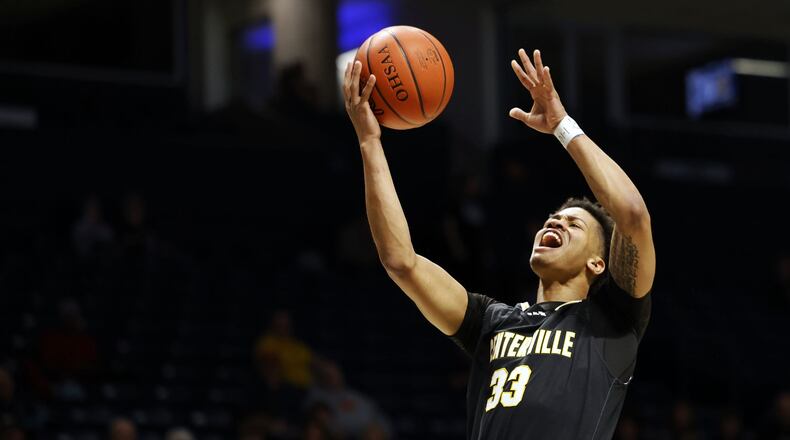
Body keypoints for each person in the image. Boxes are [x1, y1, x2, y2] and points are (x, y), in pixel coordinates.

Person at [341, 47, 654, 439]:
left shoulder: (613, 321)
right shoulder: (491, 321)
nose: (556, 220)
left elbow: (633, 215)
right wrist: (370, 142)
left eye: (574, 224)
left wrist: (561, 125)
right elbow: (401, 262)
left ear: (598, 263)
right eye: (553, 218)